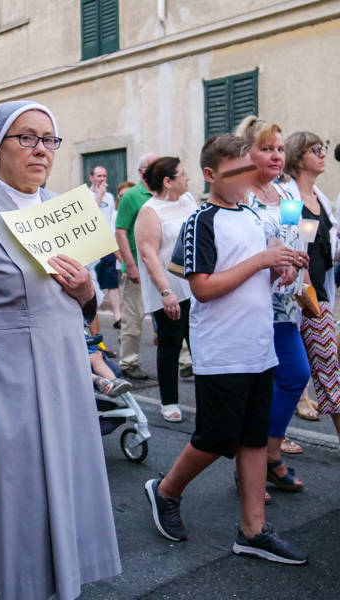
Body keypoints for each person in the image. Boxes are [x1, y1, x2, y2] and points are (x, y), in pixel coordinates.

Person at [0, 101, 121, 599]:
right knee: (19, 493)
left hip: (66, 368)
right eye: (26, 138)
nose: (40, 150)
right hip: (8, 376)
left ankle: (63, 579)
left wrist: (87, 290)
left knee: (66, 480)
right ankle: (12, 585)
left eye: (49, 139)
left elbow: (82, 310)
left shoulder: (59, 207)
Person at [144, 133, 307, 565]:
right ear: (212, 175)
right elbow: (203, 288)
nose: (247, 177)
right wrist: (261, 262)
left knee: (253, 438)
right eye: (236, 171)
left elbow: (254, 277)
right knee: (216, 438)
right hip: (223, 349)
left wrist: (280, 272)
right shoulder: (202, 221)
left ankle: (253, 531)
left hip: (258, 346)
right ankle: (165, 491)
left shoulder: (254, 216)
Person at [237, 116, 311, 484]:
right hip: (251, 303)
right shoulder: (240, 195)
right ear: (247, 153)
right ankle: (253, 467)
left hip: (285, 302)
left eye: (280, 149)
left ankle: (270, 453)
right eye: (266, 149)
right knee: (257, 389)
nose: (276, 156)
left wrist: (301, 264)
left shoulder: (288, 193)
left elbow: (295, 236)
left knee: (296, 375)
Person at [283, 132, 340, 446]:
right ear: (298, 157)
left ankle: (272, 443)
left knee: (322, 369)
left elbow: (324, 249)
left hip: (319, 296)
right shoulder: (289, 199)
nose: (322, 154)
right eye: (315, 149)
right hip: (299, 300)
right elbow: (292, 241)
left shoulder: (322, 199)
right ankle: (272, 443)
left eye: (323, 148)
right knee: (301, 373)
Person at [135, 157, 197, 422]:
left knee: (201, 346)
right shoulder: (150, 211)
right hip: (170, 289)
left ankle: (210, 397)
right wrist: (166, 291)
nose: (188, 179)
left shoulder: (189, 201)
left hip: (195, 286)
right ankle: (169, 401)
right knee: (171, 345)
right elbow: (149, 254)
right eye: (182, 175)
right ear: (168, 182)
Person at [115, 152, 158, 379]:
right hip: (137, 268)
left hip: (160, 268)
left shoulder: (164, 193)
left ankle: (184, 360)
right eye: (154, 165)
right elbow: (120, 232)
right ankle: (128, 362)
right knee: (134, 318)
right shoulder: (131, 196)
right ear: (142, 172)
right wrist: (130, 266)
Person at [90, 165, 122, 329]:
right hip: (91, 246)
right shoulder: (86, 195)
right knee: (93, 282)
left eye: (104, 176)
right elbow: (90, 216)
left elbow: (110, 221)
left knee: (112, 282)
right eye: (99, 176)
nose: (102, 179)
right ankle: (92, 320)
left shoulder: (109, 197)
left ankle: (117, 316)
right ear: (91, 178)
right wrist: (98, 196)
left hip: (107, 244)